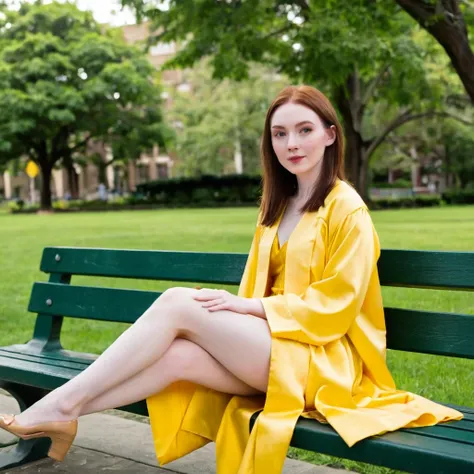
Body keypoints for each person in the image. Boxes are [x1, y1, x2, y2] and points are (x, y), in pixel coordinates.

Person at [0, 85, 463, 473]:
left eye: (305, 130)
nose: (292, 143)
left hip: (324, 360)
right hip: (275, 347)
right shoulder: (276, 207)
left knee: (179, 303)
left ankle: (58, 405)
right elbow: (255, 288)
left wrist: (251, 309)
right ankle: (65, 413)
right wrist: (245, 312)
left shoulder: (348, 209)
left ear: (330, 135)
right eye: (280, 133)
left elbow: (337, 306)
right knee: (179, 356)